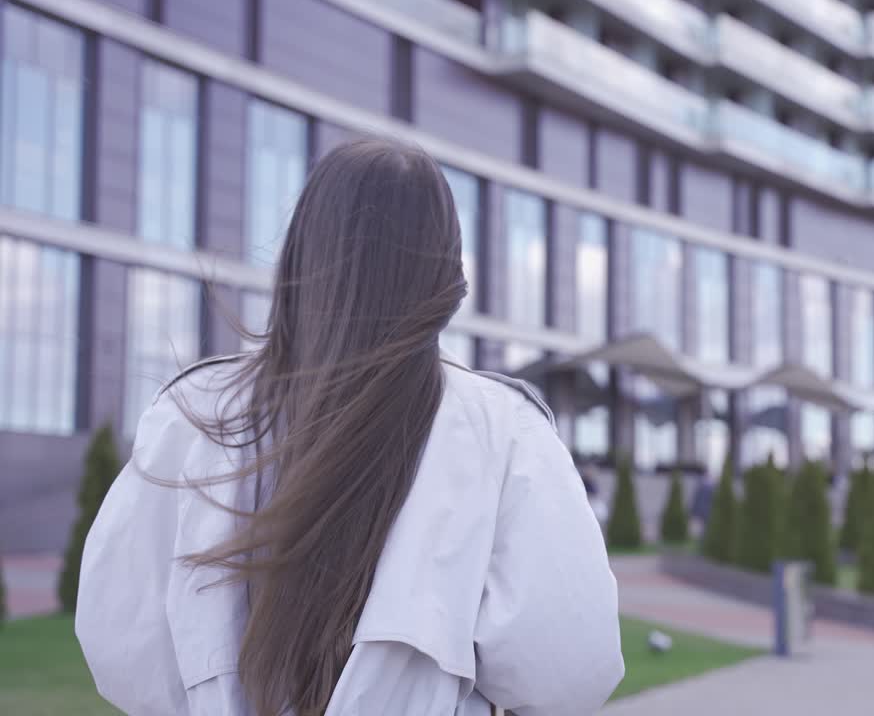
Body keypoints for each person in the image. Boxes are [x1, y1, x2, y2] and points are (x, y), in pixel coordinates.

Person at [75, 138, 624, 716]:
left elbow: (123, 642)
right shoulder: (504, 431)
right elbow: (566, 671)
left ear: (299, 256)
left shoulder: (196, 415)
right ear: (446, 273)